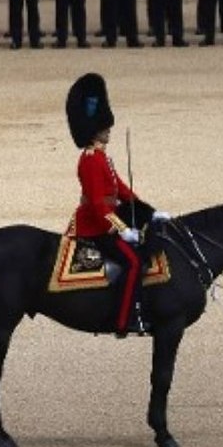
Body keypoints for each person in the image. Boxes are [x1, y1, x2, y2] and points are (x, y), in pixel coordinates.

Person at [65, 73, 166, 337]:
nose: (109, 129)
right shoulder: (90, 159)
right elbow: (98, 204)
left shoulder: (102, 157)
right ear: (93, 129)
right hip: (95, 227)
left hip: (105, 220)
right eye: (104, 126)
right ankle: (124, 320)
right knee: (133, 262)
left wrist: (150, 212)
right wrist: (122, 229)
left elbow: (121, 189)